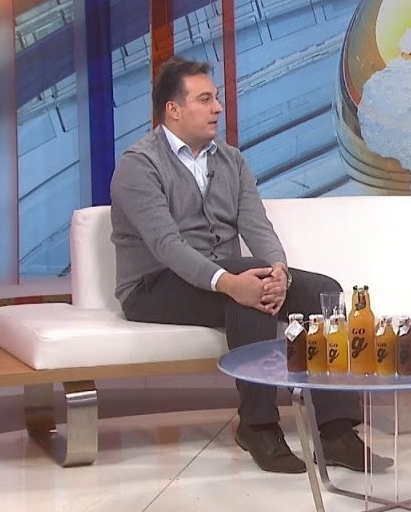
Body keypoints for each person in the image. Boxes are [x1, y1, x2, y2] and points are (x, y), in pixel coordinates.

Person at [110, 57, 391, 474]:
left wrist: (279, 272)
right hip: (154, 286)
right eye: (205, 99)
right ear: (173, 109)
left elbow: (258, 227)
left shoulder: (231, 161)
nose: (217, 108)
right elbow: (167, 246)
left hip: (225, 275)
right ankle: (258, 427)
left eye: (216, 99)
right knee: (247, 292)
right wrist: (230, 282)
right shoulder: (139, 165)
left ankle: (336, 433)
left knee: (323, 290)